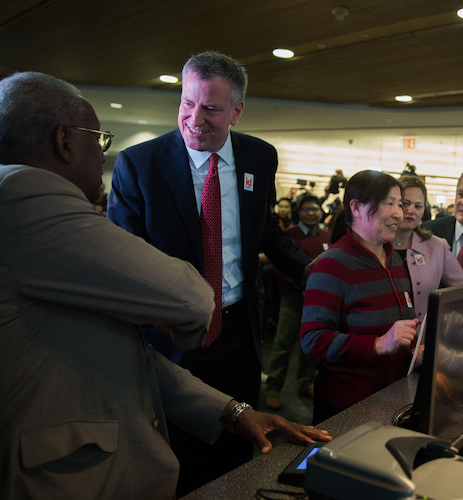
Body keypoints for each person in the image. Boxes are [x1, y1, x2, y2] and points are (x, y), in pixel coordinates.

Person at [0, 71, 329, 499]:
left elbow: (117, 345)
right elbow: (191, 298)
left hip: (229, 345)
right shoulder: (23, 197)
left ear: (236, 111)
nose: (103, 153)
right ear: (65, 142)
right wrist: (169, 311)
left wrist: (231, 411)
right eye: (97, 138)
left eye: (211, 108)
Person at [106, 51, 311, 494]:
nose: (195, 119)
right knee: (171, 457)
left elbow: (267, 232)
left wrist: (319, 272)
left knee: (240, 446)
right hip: (169, 339)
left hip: (238, 333)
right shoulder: (139, 165)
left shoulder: (259, 157)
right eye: (187, 103)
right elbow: (123, 257)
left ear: (237, 110)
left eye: (212, 109)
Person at [301, 170, 418, 424]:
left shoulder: (394, 259)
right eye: (389, 203)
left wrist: (413, 349)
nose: (399, 213)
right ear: (355, 207)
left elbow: (399, 325)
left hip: (392, 402)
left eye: (400, 204)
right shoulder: (332, 265)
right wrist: (378, 344)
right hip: (348, 409)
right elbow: (313, 339)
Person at [264, 195, 330, 411]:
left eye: (315, 208)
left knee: (310, 345)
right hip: (293, 297)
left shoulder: (327, 235)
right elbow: (278, 266)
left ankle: (305, 383)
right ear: (298, 211)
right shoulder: (288, 235)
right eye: (306, 208)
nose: (311, 212)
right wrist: (300, 283)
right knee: (283, 343)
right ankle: (272, 389)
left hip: (317, 301)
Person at [392, 176, 463, 323]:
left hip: (421, 340)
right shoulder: (375, 245)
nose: (411, 210)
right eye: (405, 204)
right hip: (380, 339)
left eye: (418, 206)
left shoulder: (437, 247)